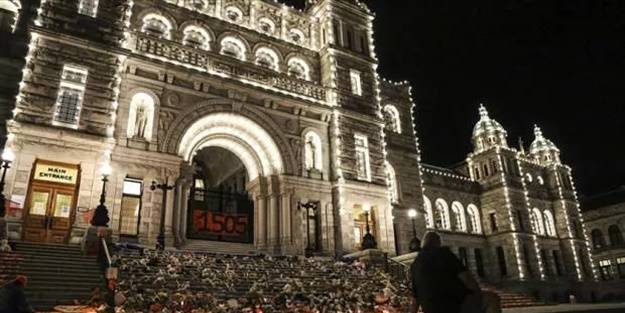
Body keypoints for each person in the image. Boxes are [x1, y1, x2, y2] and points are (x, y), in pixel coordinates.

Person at [410, 231, 501, 313]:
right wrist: (477, 294)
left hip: (431, 309)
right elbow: (467, 278)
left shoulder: (415, 264)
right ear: (438, 243)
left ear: (423, 244)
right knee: (492, 298)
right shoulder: (444, 253)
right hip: (454, 305)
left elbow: (415, 299)